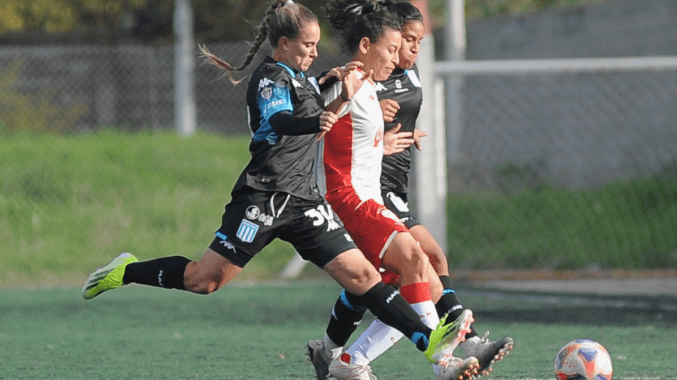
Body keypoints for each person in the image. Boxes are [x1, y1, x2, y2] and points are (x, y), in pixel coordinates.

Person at [80, 0, 472, 371]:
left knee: (363, 277)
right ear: (283, 44)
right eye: (307, 45)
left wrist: (328, 91)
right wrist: (321, 117)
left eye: (318, 45)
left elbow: (313, 101)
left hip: (305, 203)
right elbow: (281, 120)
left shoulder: (305, 78)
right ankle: (127, 270)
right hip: (264, 199)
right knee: (204, 281)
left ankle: (430, 339)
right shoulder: (269, 79)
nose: (315, 53)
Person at [306, 2, 512, 380]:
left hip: (368, 201)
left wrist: (381, 145)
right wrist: (330, 94)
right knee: (418, 262)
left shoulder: (367, 87)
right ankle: (442, 361)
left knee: (411, 281)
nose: (397, 55)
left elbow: (349, 141)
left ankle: (349, 361)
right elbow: (314, 123)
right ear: (366, 45)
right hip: (350, 202)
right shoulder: (345, 81)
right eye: (391, 47)